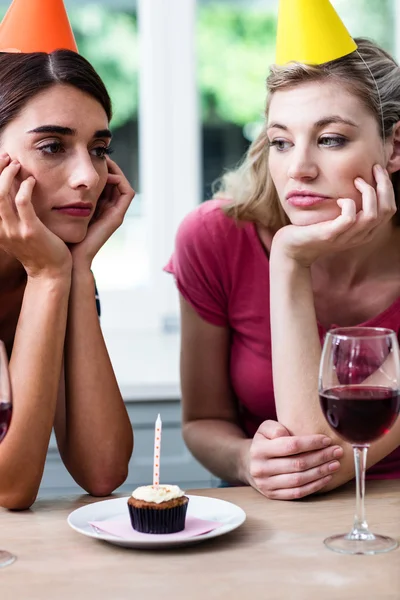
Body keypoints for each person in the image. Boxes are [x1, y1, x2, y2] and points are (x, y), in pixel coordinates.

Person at [166, 29, 400, 500]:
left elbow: (324, 458)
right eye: (280, 141)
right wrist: (245, 458)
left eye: (330, 139)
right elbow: (202, 421)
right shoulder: (214, 239)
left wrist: (289, 260)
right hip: (267, 533)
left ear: (393, 147)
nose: (299, 169)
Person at [0, 41, 135, 507]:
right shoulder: (46, 268)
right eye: (52, 146)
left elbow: (102, 470)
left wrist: (74, 272)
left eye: (99, 149)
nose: (89, 177)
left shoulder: (57, 262)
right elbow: (9, 487)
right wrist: (49, 276)